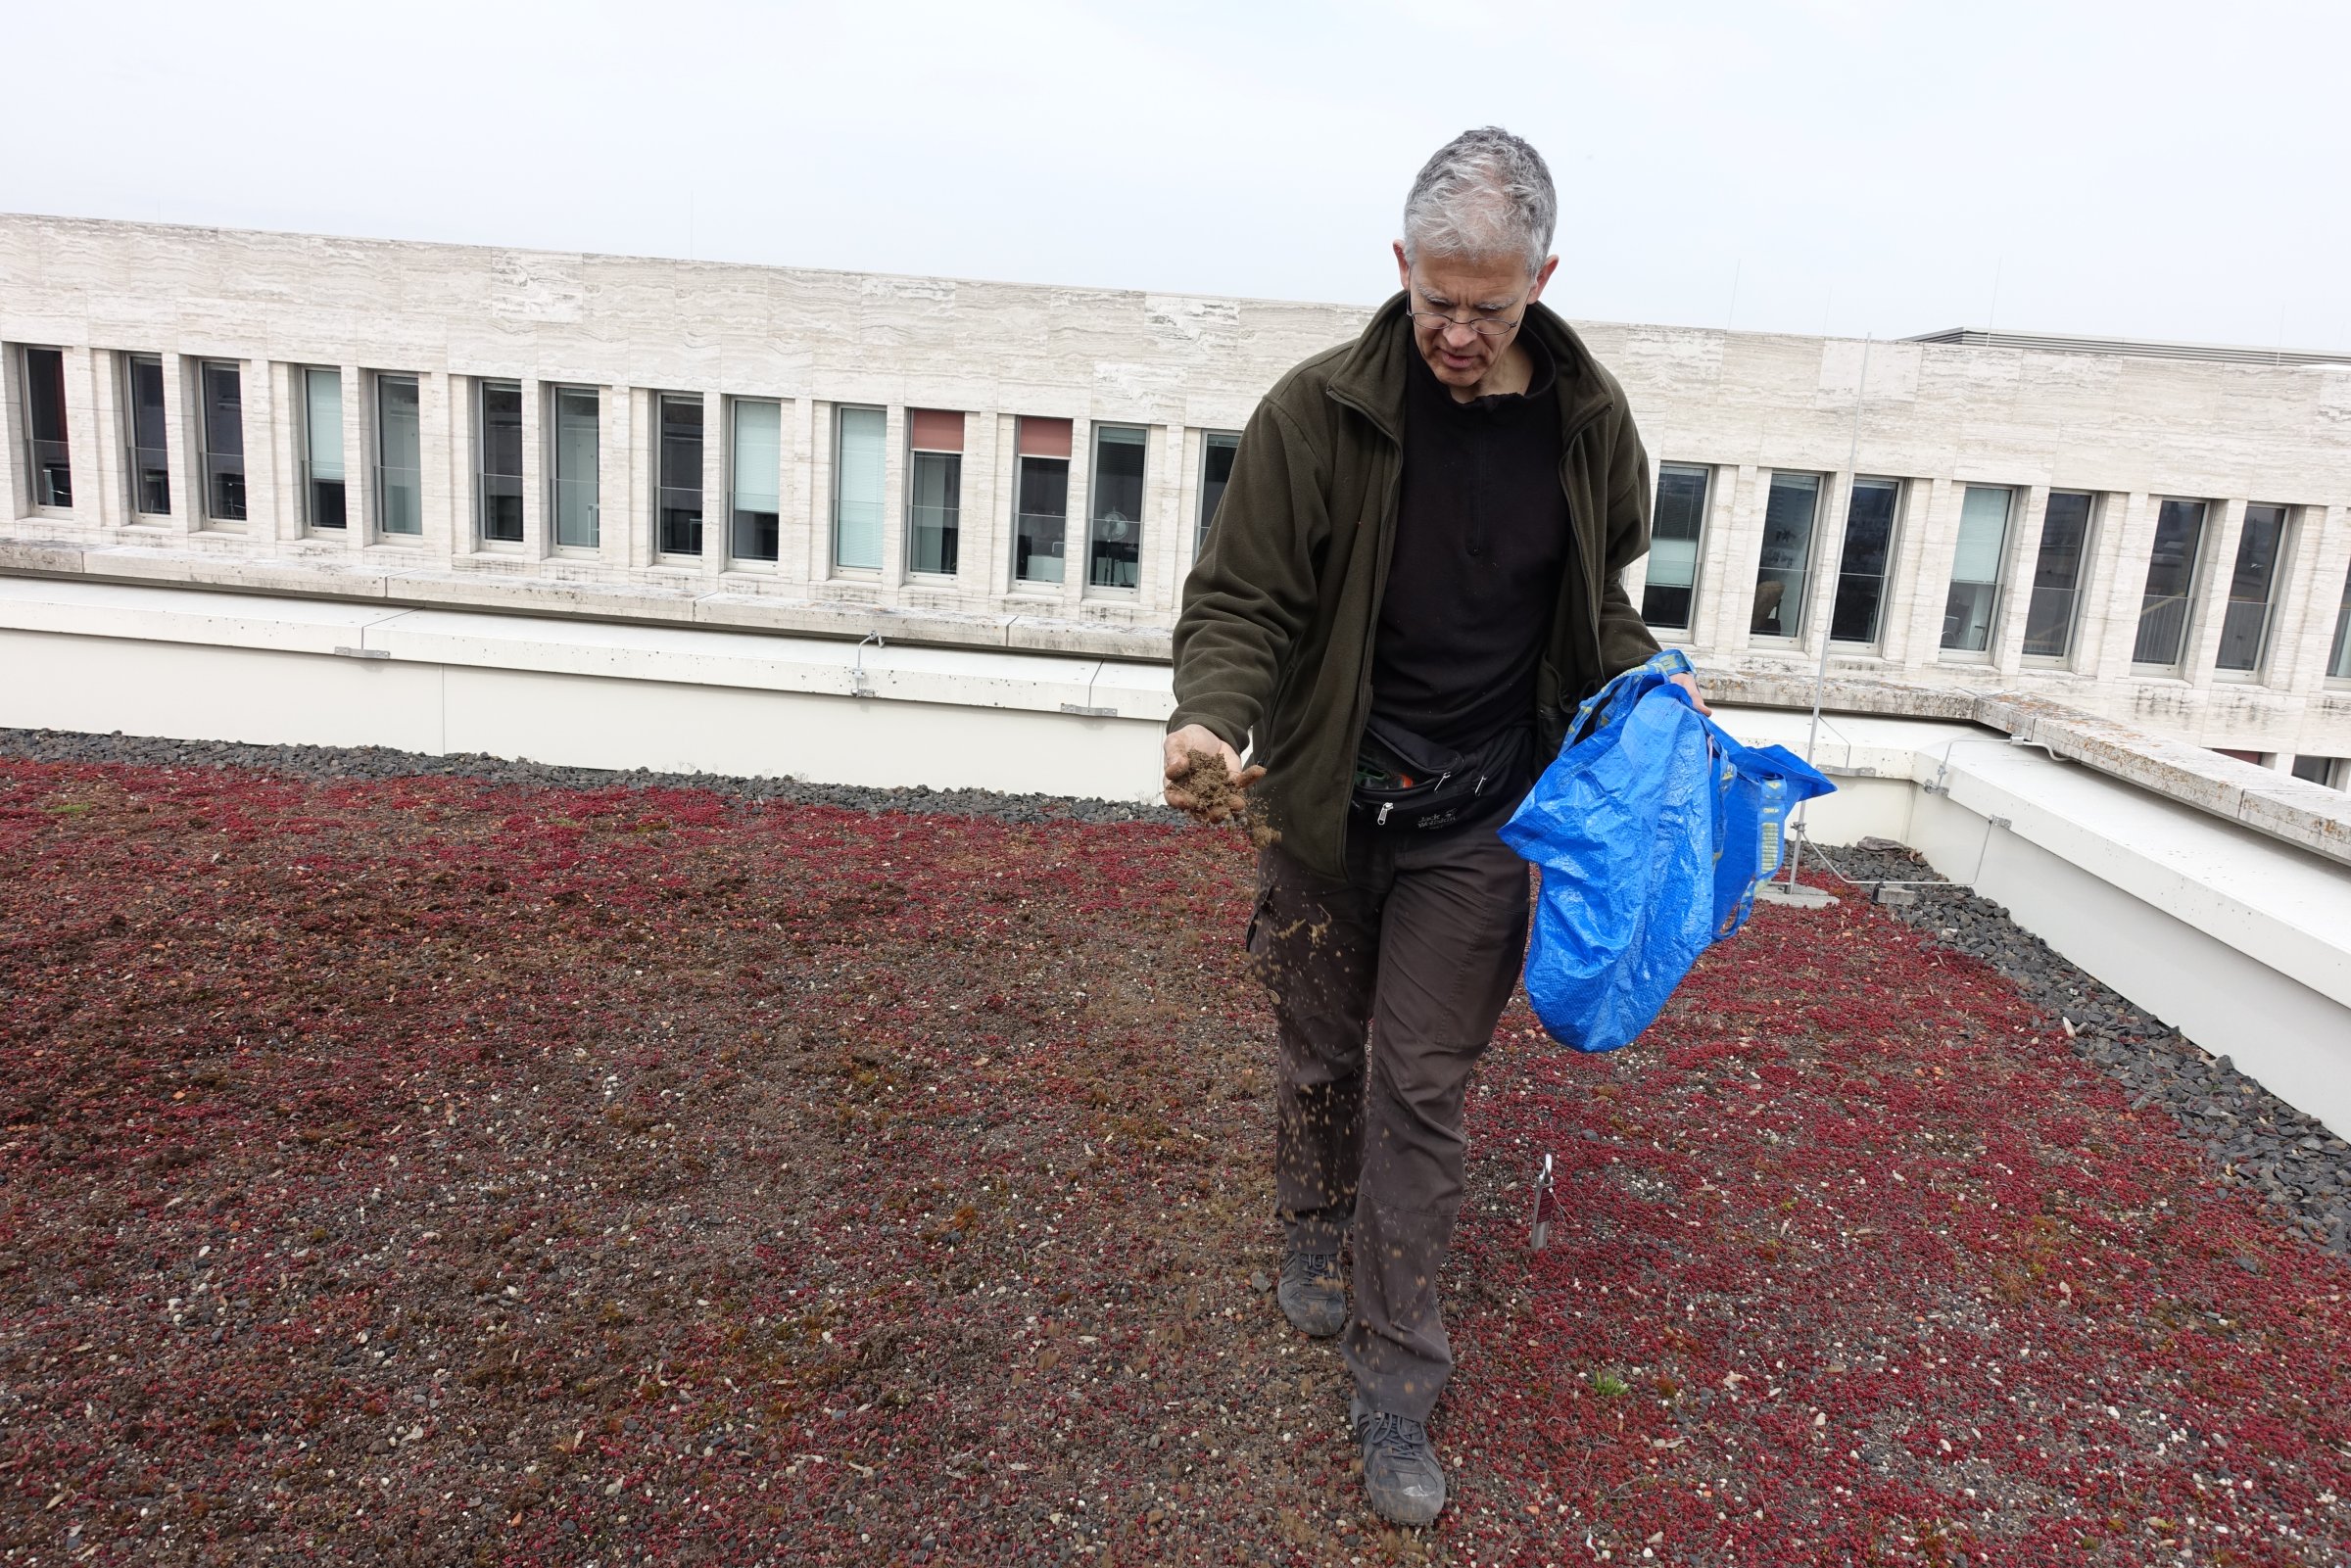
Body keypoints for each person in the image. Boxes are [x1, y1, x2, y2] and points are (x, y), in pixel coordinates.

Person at [1162, 126, 1707, 1527]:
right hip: (1330, 796)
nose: (1459, 333)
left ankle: (1397, 1378)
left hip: (1480, 812)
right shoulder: (1315, 415)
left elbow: (1594, 602)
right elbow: (1244, 602)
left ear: (1543, 279)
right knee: (1321, 1046)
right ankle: (1307, 1214)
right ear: (1401, 265)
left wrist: (1647, 692)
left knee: (1422, 1088)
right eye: (1437, 301)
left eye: (1491, 306)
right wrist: (1214, 719)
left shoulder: (1590, 429)